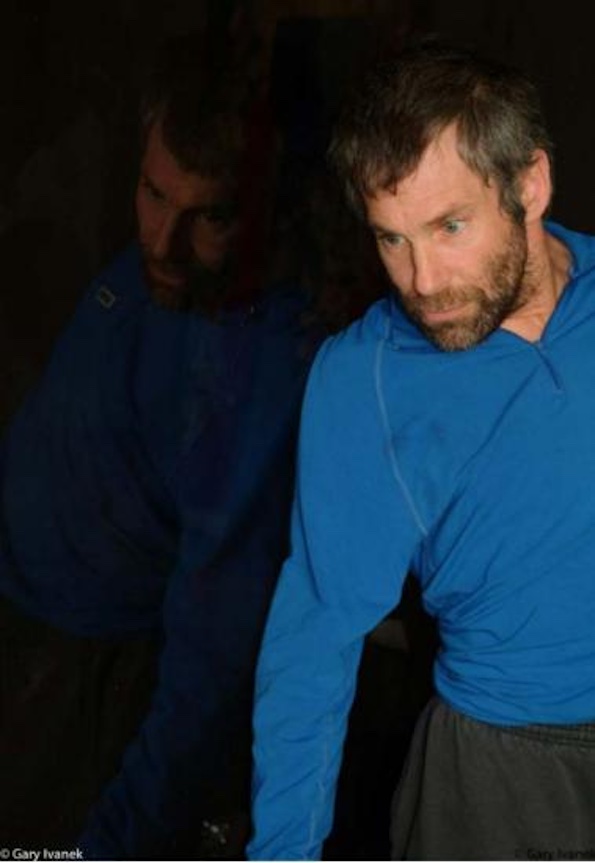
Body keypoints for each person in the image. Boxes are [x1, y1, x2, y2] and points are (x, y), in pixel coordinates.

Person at [247, 38, 595, 861]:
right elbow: (311, 645)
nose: (421, 281)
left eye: (448, 226)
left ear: (529, 185)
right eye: (390, 238)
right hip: (501, 777)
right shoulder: (360, 378)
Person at [0, 36, 320, 860]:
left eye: (208, 216)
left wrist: (110, 844)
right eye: (152, 194)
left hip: (86, 686)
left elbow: (211, 654)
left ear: (265, 208)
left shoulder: (253, 370)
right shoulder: (162, 271)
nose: (163, 239)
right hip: (28, 641)